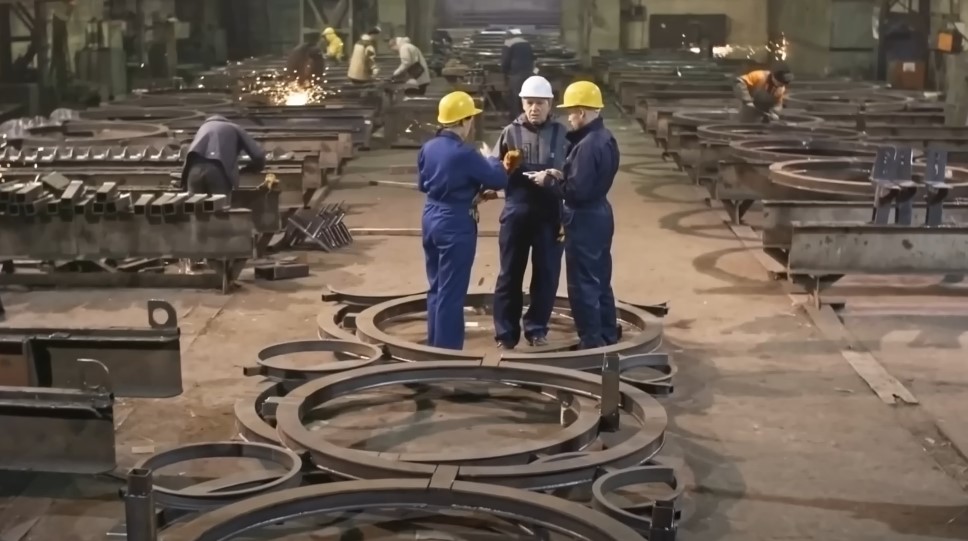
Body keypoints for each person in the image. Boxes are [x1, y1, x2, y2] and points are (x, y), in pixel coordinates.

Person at [418, 91, 517, 349]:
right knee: (452, 291)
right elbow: (498, 179)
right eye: (470, 119)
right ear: (463, 121)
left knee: (436, 287)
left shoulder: (428, 148)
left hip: (430, 217)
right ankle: (447, 355)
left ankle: (434, 346)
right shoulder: (465, 153)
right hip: (455, 222)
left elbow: (422, 184)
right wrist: (492, 159)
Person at [529, 81, 619, 349]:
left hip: (583, 217)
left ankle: (591, 343)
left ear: (581, 111)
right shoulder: (606, 138)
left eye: (571, 112)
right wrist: (563, 174)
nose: (568, 117)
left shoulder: (587, 145)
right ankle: (607, 335)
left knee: (583, 285)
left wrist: (549, 180)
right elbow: (588, 180)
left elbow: (576, 192)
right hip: (601, 213)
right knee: (600, 279)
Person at [490, 75, 568, 349]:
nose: (534, 108)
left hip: (550, 215)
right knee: (509, 274)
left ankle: (536, 330)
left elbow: (573, 176)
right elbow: (493, 171)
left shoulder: (562, 134)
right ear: (522, 103)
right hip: (517, 213)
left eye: (540, 103)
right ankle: (505, 334)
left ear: (550, 104)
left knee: (546, 275)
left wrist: (557, 175)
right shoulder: (509, 133)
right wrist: (498, 171)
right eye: (529, 102)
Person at [181, 115, 266, 199]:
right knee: (219, 208)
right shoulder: (235, 127)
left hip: (193, 171)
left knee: (195, 208)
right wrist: (252, 169)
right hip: (217, 170)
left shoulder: (203, 127)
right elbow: (258, 155)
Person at [501, 30, 536, 121]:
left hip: (516, 73)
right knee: (526, 95)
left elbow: (505, 60)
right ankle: (528, 117)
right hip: (528, 72)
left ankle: (516, 119)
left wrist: (504, 72)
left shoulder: (508, 43)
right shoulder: (526, 42)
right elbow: (532, 58)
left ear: (509, 35)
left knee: (514, 97)